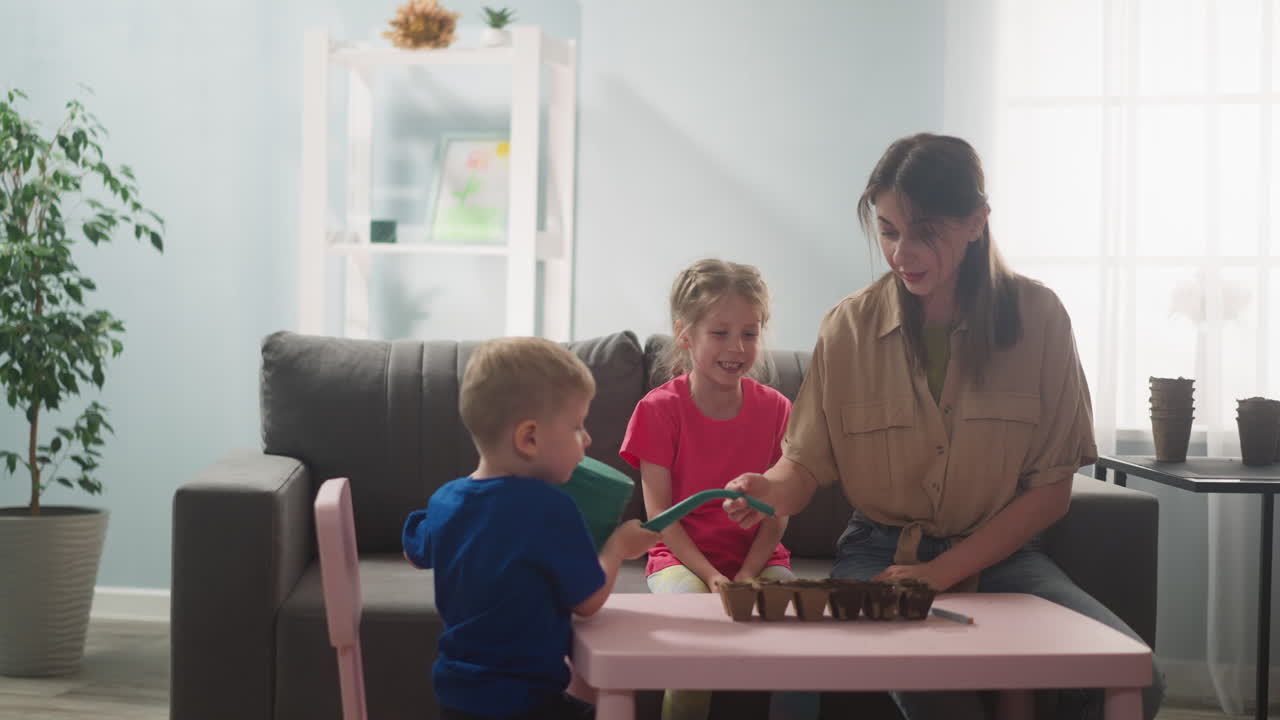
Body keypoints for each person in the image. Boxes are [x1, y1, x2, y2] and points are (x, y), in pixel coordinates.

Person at [722, 133, 1165, 720]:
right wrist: (768, 490)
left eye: (925, 231)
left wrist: (939, 574)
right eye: (888, 230)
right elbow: (804, 464)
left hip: (1004, 557)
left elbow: (1051, 490)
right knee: (937, 688)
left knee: (1140, 676)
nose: (903, 252)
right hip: (877, 554)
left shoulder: (1041, 320)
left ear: (977, 221)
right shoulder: (847, 329)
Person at [403, 337, 658, 720]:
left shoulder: (445, 502)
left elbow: (414, 550)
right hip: (528, 703)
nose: (586, 439)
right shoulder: (552, 510)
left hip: (455, 698)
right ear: (529, 438)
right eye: (577, 427)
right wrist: (619, 547)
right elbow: (587, 604)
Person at [621, 258, 818, 720]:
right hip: (680, 563)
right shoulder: (658, 410)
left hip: (761, 560)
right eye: (721, 333)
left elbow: (778, 512)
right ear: (686, 335)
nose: (737, 347)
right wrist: (711, 577)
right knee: (695, 652)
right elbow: (661, 520)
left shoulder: (776, 410)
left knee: (806, 656)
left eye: (749, 333)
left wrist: (748, 575)